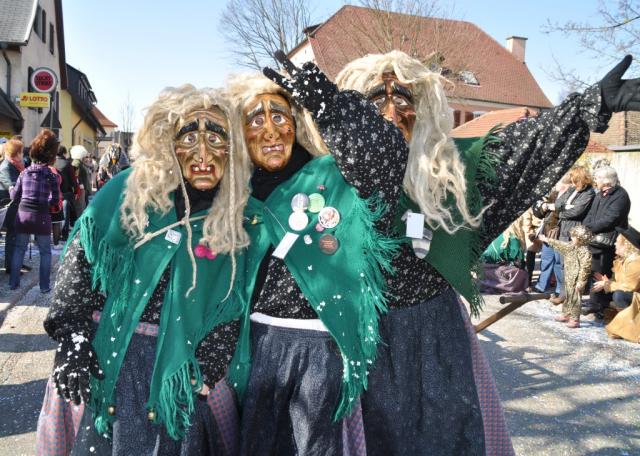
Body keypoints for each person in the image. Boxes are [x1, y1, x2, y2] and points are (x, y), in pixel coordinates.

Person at [334, 51, 640, 454]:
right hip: (359, 339)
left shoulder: (450, 173)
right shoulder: (327, 182)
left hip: (436, 338)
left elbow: (522, 147)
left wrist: (591, 103)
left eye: (403, 99)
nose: (391, 113)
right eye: (376, 100)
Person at [36, 85, 250, 455]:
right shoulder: (128, 191)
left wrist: (211, 361)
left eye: (216, 138)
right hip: (107, 352)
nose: (203, 154)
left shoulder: (232, 213)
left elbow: (233, 299)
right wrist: (72, 335)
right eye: (189, 138)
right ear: (167, 142)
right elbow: (81, 262)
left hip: (183, 365)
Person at [227, 57, 408, 454]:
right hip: (256, 346)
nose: (271, 130)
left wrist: (330, 104)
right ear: (240, 133)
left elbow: (388, 158)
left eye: (280, 116)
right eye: (256, 119)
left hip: (322, 345)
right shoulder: (235, 195)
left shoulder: (332, 174)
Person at [9, 130, 60, 292]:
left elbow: (15, 196)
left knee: (19, 249)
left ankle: (13, 283)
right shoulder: (51, 176)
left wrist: (10, 188)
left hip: (23, 215)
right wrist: (45, 203)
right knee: (45, 252)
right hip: (42, 216)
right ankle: (44, 287)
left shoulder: (24, 173)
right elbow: (55, 200)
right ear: (51, 156)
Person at [582, 166, 631, 317]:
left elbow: (611, 219)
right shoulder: (599, 194)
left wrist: (589, 228)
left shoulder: (621, 195)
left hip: (609, 241)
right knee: (594, 271)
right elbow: (590, 214)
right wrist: (585, 226)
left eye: (597, 178)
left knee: (603, 272)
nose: (595, 180)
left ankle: (599, 305)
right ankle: (594, 303)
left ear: (606, 180)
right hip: (594, 239)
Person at [543, 165, 595, 304]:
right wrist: (565, 207)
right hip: (563, 229)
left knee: (573, 266)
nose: (571, 182)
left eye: (574, 179)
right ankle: (563, 294)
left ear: (580, 178)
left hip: (575, 232)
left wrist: (562, 211)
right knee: (562, 265)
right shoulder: (572, 189)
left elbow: (577, 212)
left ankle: (572, 298)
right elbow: (558, 203)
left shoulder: (589, 192)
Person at [539, 225, 593, 328]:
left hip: (577, 279)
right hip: (568, 276)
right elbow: (560, 244)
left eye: (574, 237)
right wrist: (546, 239)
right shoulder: (571, 246)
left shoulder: (585, 251)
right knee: (568, 295)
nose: (571, 238)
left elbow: (585, 267)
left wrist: (581, 281)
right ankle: (566, 313)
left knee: (575, 298)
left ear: (580, 238)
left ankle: (575, 319)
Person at [532, 179, 569, 301]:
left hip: (560, 233)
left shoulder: (570, 194)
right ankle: (541, 285)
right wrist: (544, 207)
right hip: (548, 232)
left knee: (559, 262)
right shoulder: (553, 194)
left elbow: (567, 211)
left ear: (565, 184)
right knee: (546, 260)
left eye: (558, 182)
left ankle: (559, 289)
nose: (555, 184)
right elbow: (541, 212)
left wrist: (552, 207)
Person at [592, 225, 640, 309]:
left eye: (617, 242)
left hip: (636, 294)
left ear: (626, 246)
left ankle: (628, 315)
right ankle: (605, 310)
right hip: (628, 291)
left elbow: (631, 287)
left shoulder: (635, 261)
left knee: (619, 295)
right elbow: (620, 281)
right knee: (599, 291)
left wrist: (607, 284)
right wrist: (606, 281)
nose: (615, 244)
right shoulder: (621, 260)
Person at [0, 138, 25, 274]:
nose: (22, 154)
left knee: (15, 235)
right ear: (16, 153)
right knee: (12, 235)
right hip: (8, 207)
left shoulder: (15, 165)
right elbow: (12, 188)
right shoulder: (5, 167)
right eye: (21, 151)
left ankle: (17, 263)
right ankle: (11, 266)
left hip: (15, 206)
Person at [54, 145, 78, 240]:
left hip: (53, 193)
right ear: (64, 153)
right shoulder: (67, 164)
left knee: (54, 215)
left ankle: (55, 236)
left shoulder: (51, 162)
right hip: (65, 193)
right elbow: (73, 180)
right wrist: (76, 191)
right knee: (65, 214)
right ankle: (64, 235)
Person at [522, 207, 543, 287]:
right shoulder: (530, 207)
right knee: (530, 258)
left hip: (539, 232)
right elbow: (527, 222)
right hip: (532, 234)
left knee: (532, 258)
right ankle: (528, 279)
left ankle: (529, 279)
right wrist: (530, 233)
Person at [69, 145, 91, 216]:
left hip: (82, 187)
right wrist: (81, 185)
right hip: (80, 188)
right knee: (80, 206)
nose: (85, 158)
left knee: (82, 206)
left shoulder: (78, 162)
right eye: (85, 156)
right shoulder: (77, 163)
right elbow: (76, 176)